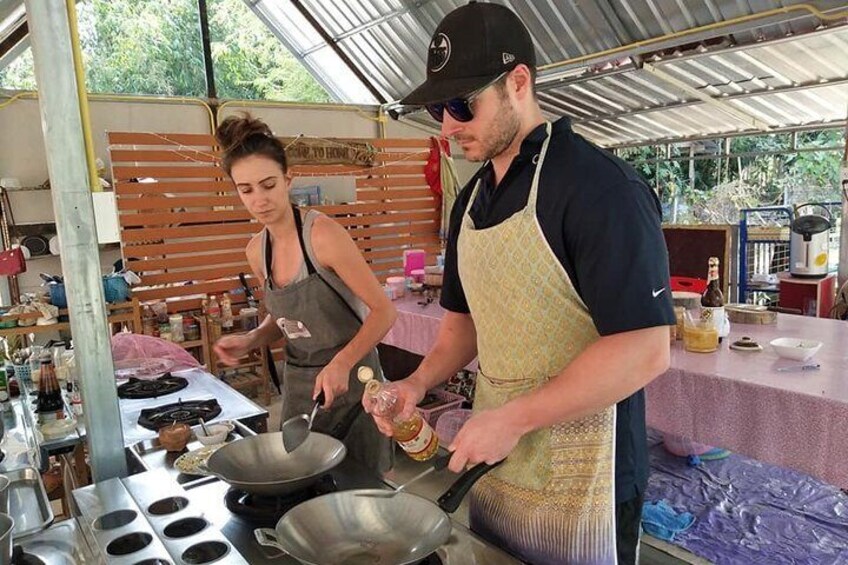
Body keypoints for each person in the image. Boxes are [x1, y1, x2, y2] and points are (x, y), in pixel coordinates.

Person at [364, 3, 675, 564]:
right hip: (497, 460)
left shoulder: (601, 190)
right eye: (439, 107)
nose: (447, 127)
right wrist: (415, 383)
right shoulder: (470, 201)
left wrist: (513, 419)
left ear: (519, 82)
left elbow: (645, 350)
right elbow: (462, 329)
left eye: (462, 104)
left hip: (589, 474)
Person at [214, 114, 395, 474]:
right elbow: (286, 318)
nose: (259, 199)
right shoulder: (256, 251)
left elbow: (383, 312)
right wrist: (253, 337)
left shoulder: (322, 236)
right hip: (300, 387)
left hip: (354, 382)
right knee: (301, 484)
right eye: (246, 189)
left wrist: (342, 362)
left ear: (287, 180)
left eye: (268, 185)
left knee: (358, 490)